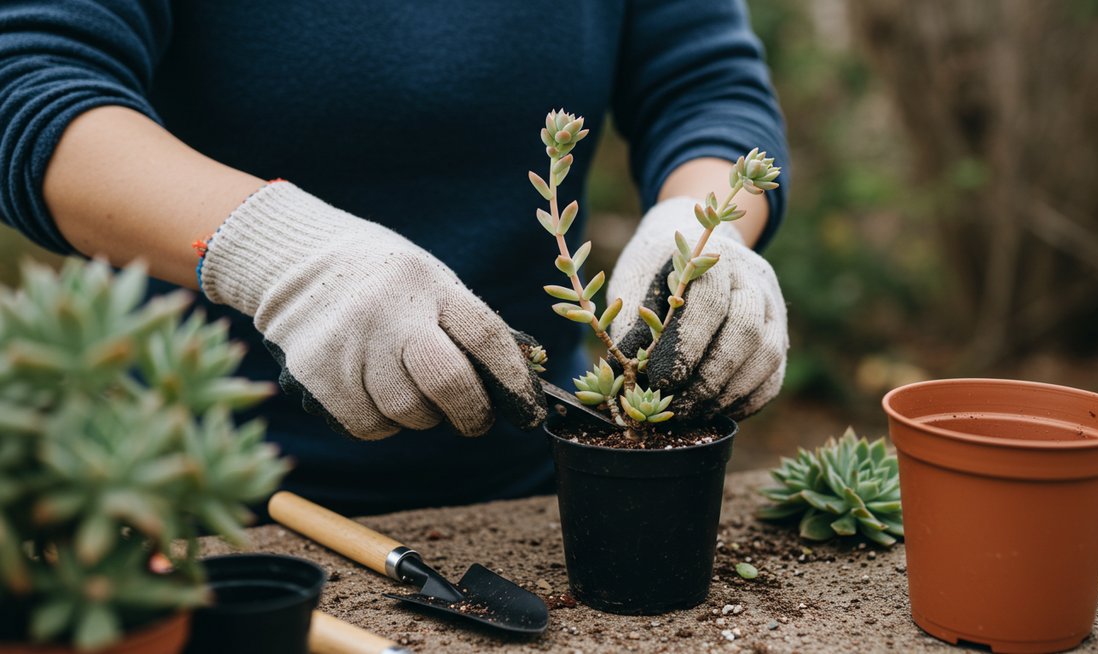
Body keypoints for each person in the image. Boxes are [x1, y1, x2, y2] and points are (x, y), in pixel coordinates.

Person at [0, 1, 790, 516]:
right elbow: (29, 79)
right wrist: (276, 253)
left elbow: (705, 85)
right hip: (187, 496)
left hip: (528, 491)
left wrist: (701, 229)